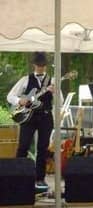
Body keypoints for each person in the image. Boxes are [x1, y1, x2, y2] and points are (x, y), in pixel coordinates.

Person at [7, 52, 54, 190]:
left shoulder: (52, 81)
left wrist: (55, 93)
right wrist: (19, 100)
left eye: (43, 65)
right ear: (34, 65)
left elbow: (59, 102)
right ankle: (17, 176)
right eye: (39, 65)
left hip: (45, 117)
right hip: (28, 117)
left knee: (43, 148)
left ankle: (40, 178)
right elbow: (10, 96)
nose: (41, 68)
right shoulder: (25, 79)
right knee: (23, 146)